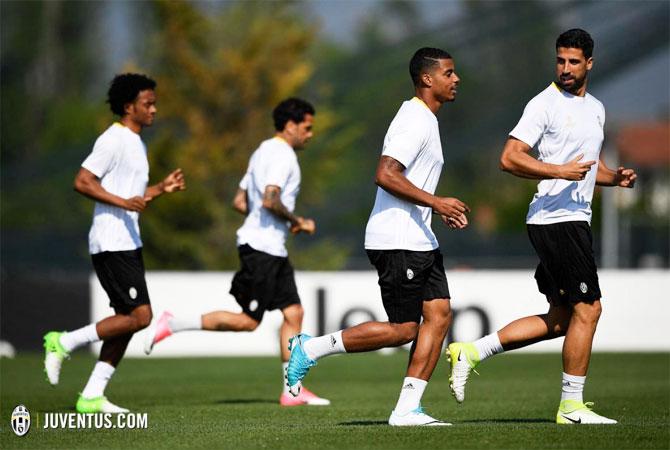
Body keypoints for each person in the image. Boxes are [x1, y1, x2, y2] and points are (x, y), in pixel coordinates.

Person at [446, 29, 637, 425]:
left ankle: (472, 351)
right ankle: (571, 407)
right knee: (590, 308)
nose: (565, 69)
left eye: (573, 62)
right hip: (556, 220)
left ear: (589, 64)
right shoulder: (544, 104)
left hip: (570, 219)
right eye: (560, 60)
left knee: (562, 319)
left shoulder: (597, 109)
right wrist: (557, 171)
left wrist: (613, 178)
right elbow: (509, 158)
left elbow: (587, 167)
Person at [286, 48, 470, 426]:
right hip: (397, 239)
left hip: (418, 238)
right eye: (449, 73)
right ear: (427, 80)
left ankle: (407, 409)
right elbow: (385, 173)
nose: (456, 80)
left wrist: (436, 210)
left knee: (439, 315)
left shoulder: (428, 121)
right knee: (404, 329)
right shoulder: (414, 119)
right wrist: (436, 202)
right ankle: (311, 347)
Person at [144, 98, 330, 407]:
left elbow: (239, 202)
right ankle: (173, 323)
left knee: (293, 312)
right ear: (290, 125)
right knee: (247, 321)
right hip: (262, 249)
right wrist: (298, 222)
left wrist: (267, 222)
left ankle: (292, 390)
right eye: (307, 128)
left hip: (270, 247)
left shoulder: (261, 151)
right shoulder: (283, 156)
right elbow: (270, 200)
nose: (310, 134)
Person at [43, 73, 186, 413]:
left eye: (154, 103)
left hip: (128, 241)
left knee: (127, 320)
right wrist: (123, 203)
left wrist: (159, 190)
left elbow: (132, 197)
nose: (154, 109)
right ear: (128, 106)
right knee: (140, 317)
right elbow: (82, 181)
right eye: (147, 104)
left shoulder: (137, 143)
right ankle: (63, 342)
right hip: (111, 242)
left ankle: (92, 395)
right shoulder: (114, 139)